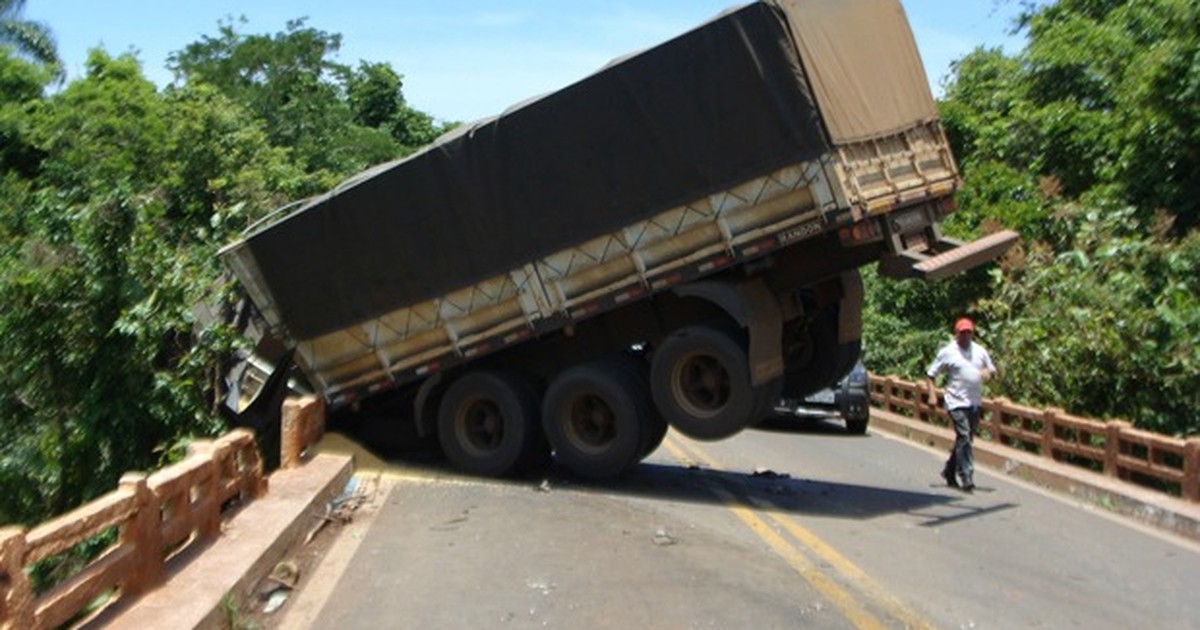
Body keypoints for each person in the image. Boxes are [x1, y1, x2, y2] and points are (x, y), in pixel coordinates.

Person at [925, 317, 995, 492]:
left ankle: (949, 471)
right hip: (955, 401)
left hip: (974, 402)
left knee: (966, 439)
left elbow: (992, 370)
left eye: (968, 332)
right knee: (964, 436)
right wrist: (932, 396)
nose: (965, 335)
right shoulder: (948, 352)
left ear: (972, 333)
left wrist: (988, 372)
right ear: (956, 333)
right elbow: (930, 374)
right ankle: (967, 476)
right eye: (962, 332)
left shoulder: (980, 351)